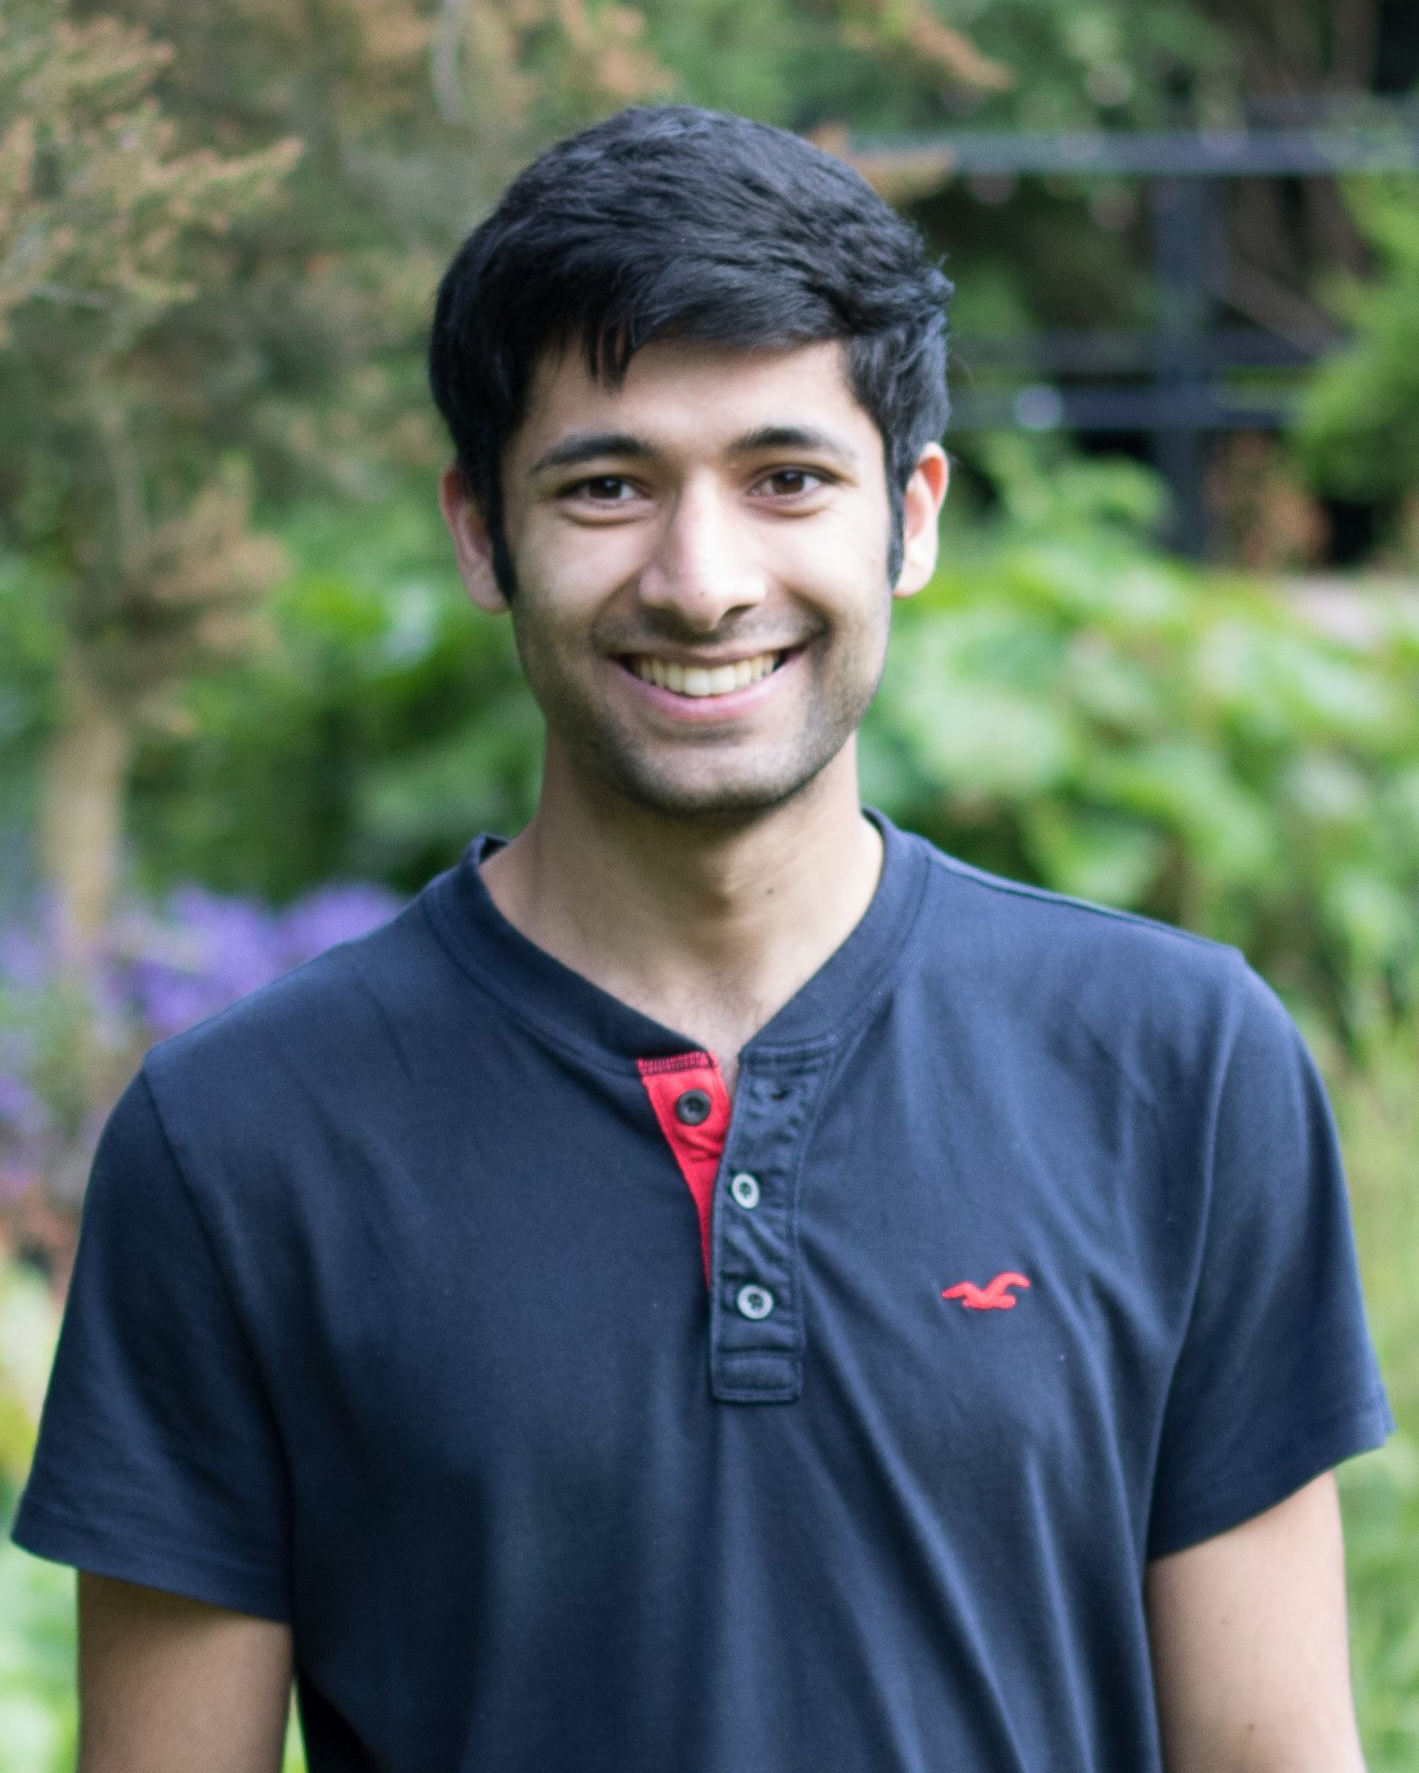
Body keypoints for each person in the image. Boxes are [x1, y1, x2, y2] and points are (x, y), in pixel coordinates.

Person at [13, 105, 1391, 1773]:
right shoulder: (238, 1141)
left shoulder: (1181, 1065)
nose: (702, 578)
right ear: (480, 532)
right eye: (607, 486)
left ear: (915, 515)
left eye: (786, 478)